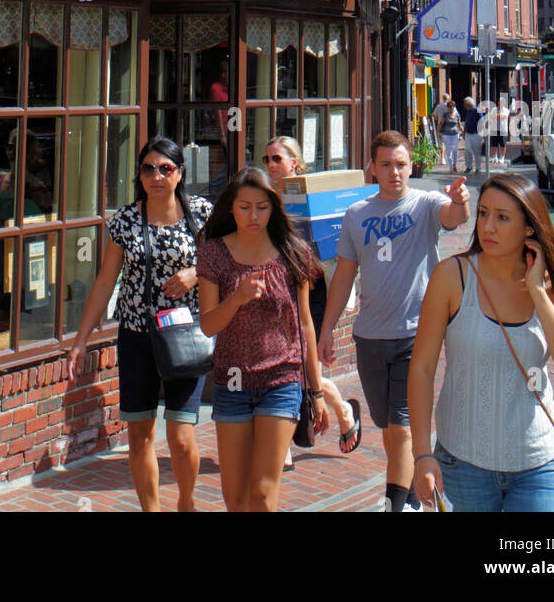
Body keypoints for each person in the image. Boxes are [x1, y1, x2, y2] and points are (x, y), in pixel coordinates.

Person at [409, 172, 554, 513]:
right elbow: (421, 369)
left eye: (502, 217)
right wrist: (421, 453)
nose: (487, 226)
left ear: (529, 228)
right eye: (483, 213)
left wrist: (537, 292)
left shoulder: (549, 286)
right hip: (462, 464)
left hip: (538, 461)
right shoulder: (452, 276)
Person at [317, 130, 470, 512]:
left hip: (416, 334)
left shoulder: (425, 203)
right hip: (369, 336)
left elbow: (452, 217)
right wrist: (325, 330)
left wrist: (460, 202)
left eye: (400, 164)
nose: (394, 171)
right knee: (388, 428)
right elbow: (344, 276)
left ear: (411, 166)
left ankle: (398, 504)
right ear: (372, 168)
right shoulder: (356, 214)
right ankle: (417, 487)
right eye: (385, 164)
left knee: (402, 427)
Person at [66, 138, 211, 512]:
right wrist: (81, 340)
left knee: (180, 436)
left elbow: (225, 262)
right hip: (136, 335)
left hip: (185, 336)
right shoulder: (126, 220)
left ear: (180, 173)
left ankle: (187, 501)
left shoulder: (201, 213)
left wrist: (195, 273)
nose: (156, 175)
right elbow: (104, 282)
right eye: (148, 168)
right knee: (140, 435)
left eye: (165, 168)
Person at [197, 166, 330, 511]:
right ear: (231, 207)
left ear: (274, 208)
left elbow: (304, 325)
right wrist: (237, 298)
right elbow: (209, 325)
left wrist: (316, 392)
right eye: (244, 206)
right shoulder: (213, 252)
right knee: (236, 497)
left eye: (262, 206)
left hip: (281, 379)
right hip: (234, 382)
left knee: (262, 493)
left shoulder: (292, 251)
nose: (253, 215)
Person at [262, 138, 362, 453]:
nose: (270, 165)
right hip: (278, 292)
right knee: (298, 368)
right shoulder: (265, 199)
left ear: (295, 163)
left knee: (303, 366)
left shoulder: (313, 198)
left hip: (313, 290)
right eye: (266, 159)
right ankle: (343, 412)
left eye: (277, 158)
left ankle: (290, 439)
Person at [438, 99, 463, 173]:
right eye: (450, 107)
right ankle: (450, 167)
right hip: (446, 134)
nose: (451, 108)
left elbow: (459, 124)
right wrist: (439, 132)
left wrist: (463, 132)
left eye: (452, 107)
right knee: (448, 150)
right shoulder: (445, 115)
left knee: (455, 150)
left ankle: (454, 164)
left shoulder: (457, 115)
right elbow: (440, 123)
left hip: (455, 134)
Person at [462, 96, 482, 175]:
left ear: (468, 104)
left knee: (477, 151)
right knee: (467, 150)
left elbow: (481, 122)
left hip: (476, 134)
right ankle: (469, 166)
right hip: (468, 134)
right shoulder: (468, 112)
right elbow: (466, 123)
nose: (464, 106)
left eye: (465, 105)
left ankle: (478, 167)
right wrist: (464, 132)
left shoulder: (477, 110)